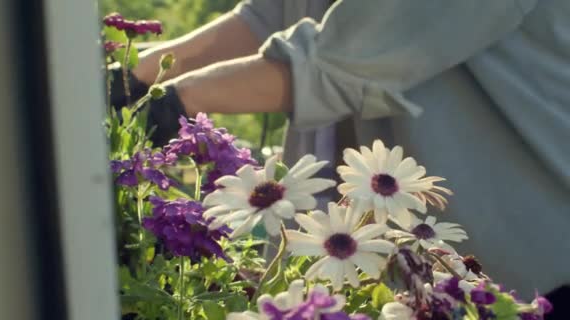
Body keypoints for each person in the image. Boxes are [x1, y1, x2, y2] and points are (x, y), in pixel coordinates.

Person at [112, 0, 569, 316]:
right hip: (430, 274)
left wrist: (166, 103)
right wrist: (129, 76)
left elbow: (333, 67)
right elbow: (272, 14)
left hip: (538, 270)